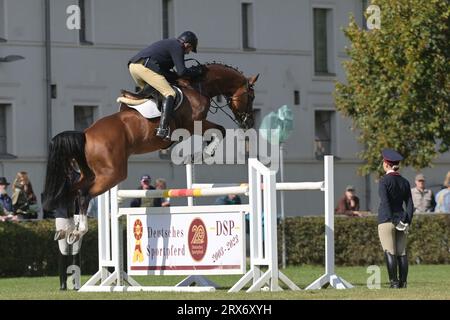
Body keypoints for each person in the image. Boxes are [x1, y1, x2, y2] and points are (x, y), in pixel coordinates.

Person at [128, 31, 203, 140]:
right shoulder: (177, 46)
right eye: (190, 50)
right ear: (187, 45)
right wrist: (197, 72)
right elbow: (182, 72)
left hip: (135, 67)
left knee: (157, 93)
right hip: (144, 67)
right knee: (169, 93)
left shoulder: (171, 44)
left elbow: (167, 72)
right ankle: (162, 128)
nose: (188, 53)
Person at [378, 149, 413, 289]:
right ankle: (403, 283)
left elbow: (385, 203)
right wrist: (407, 221)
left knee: (389, 251)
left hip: (387, 220)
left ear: (386, 164)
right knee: (402, 252)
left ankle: (394, 283)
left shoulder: (384, 181)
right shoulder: (405, 181)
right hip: (402, 220)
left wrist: (393, 220)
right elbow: (410, 204)